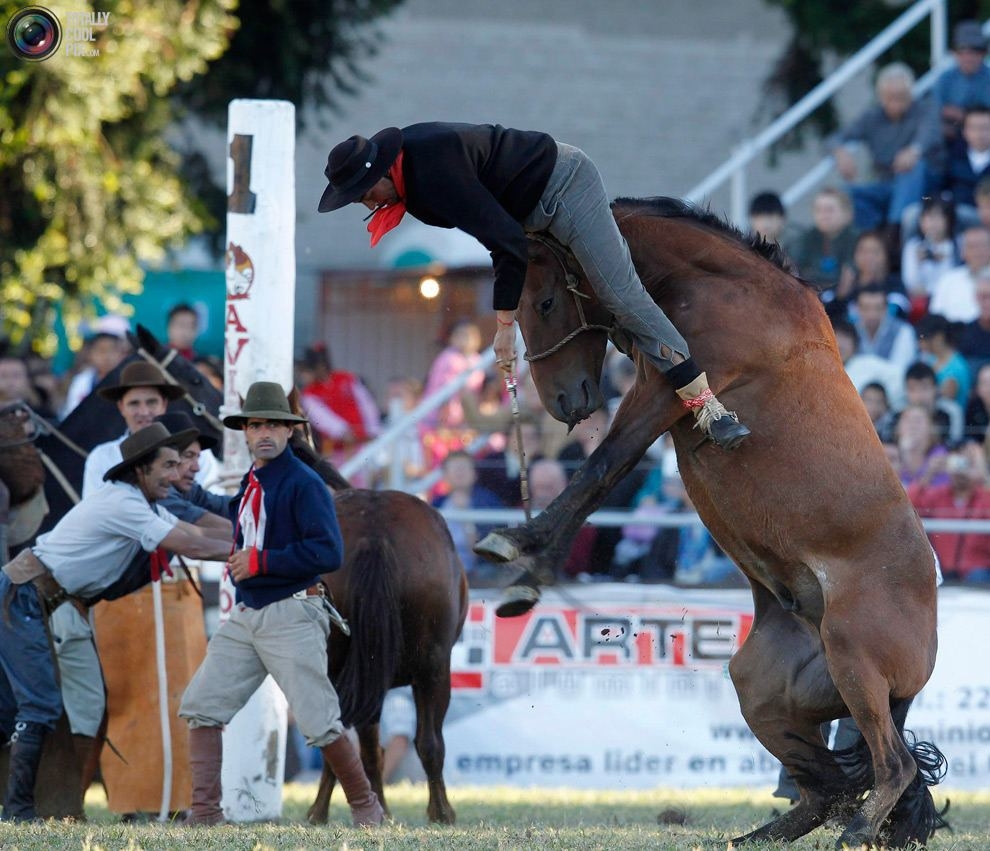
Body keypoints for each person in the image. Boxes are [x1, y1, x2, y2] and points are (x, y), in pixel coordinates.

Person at [318, 123, 750, 450]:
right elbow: (500, 236)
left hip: (564, 186)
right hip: (525, 211)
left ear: (379, 173)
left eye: (363, 192)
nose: (366, 203)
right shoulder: (414, 183)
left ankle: (707, 405)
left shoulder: (431, 175)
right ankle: (652, 375)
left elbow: (504, 243)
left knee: (619, 294)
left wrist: (504, 326)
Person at [0, 422, 233, 821]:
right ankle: (18, 811)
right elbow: (191, 543)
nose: (177, 474)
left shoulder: (143, 503)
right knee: (39, 705)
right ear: (141, 468)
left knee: (30, 709)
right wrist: (263, 558)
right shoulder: (124, 503)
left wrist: (263, 542)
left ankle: (34, 807)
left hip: (36, 599)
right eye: (169, 465)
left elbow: (197, 529)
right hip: (20, 595)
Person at [177, 381, 383, 827]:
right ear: (245, 432)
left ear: (290, 432)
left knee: (321, 723)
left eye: (273, 424)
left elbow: (329, 554)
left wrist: (261, 561)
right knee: (200, 707)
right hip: (250, 615)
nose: (264, 432)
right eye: (256, 425)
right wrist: (190, 494)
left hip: (293, 612)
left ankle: (367, 806)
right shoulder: (258, 478)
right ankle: (206, 814)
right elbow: (237, 512)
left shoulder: (304, 483)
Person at [829, 62, 941, 235]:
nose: (895, 102)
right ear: (880, 96)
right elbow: (834, 138)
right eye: (890, 96)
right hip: (885, 183)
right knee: (845, 194)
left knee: (911, 169)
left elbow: (929, 134)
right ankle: (872, 237)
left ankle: (894, 234)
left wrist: (914, 151)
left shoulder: (924, 109)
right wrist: (840, 152)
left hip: (924, 184)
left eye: (901, 96)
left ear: (911, 94)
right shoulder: (871, 117)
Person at [907, 440, 990, 583]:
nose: (962, 470)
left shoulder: (983, 497)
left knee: (977, 577)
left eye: (968, 464)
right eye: (957, 462)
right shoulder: (938, 496)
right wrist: (929, 473)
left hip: (977, 574)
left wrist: (983, 475)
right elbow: (908, 506)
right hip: (943, 572)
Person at [298, 342, 381, 464]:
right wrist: (342, 432)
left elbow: (366, 404)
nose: (303, 375)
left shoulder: (347, 378)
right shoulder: (309, 393)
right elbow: (322, 418)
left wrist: (373, 427)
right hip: (337, 448)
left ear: (320, 367)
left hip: (364, 440)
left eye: (306, 370)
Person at [431, 450, 504, 586]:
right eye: (454, 468)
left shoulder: (489, 502)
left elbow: (487, 551)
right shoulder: (437, 503)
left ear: (475, 474)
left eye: (464, 468)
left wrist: (465, 517)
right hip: (444, 570)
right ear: (445, 475)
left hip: (479, 570)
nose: (459, 473)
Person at [789, 186, 859, 297]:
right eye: (818, 210)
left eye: (830, 210)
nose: (824, 216)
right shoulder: (805, 239)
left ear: (847, 213)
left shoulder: (858, 240)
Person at [899, 196, 958, 317]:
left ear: (949, 220)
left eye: (939, 217)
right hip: (920, 303)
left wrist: (942, 260)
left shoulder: (957, 245)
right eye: (928, 217)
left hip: (948, 300)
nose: (933, 223)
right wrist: (918, 263)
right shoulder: (913, 246)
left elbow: (952, 281)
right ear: (920, 220)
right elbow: (910, 283)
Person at [933, 20, 990, 144]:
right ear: (955, 54)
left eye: (974, 52)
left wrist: (960, 114)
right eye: (963, 52)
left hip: (984, 139)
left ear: (983, 54)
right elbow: (935, 109)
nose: (968, 57)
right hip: (951, 137)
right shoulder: (945, 78)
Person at [831, 230, 909, 316]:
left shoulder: (895, 286)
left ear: (886, 255)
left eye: (875, 251)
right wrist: (840, 297)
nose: (869, 257)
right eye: (863, 251)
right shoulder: (845, 287)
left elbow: (897, 315)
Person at [849, 285, 918, 378]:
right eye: (866, 308)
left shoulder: (904, 331)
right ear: (857, 309)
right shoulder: (849, 332)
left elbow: (900, 372)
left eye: (878, 308)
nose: (872, 314)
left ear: (886, 308)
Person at [928, 224, 990, 322]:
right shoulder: (948, 280)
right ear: (962, 252)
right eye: (971, 246)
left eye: (982, 246)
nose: (977, 252)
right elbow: (936, 318)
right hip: (952, 335)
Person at [60, 331, 128, 419]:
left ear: (121, 354)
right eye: (102, 351)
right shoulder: (80, 381)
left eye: (112, 350)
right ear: (91, 354)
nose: (107, 357)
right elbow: (71, 412)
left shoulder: (126, 381)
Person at [915, 313, 972, 411]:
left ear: (938, 337)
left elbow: (944, 401)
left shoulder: (957, 367)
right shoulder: (929, 359)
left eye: (923, 339)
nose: (920, 345)